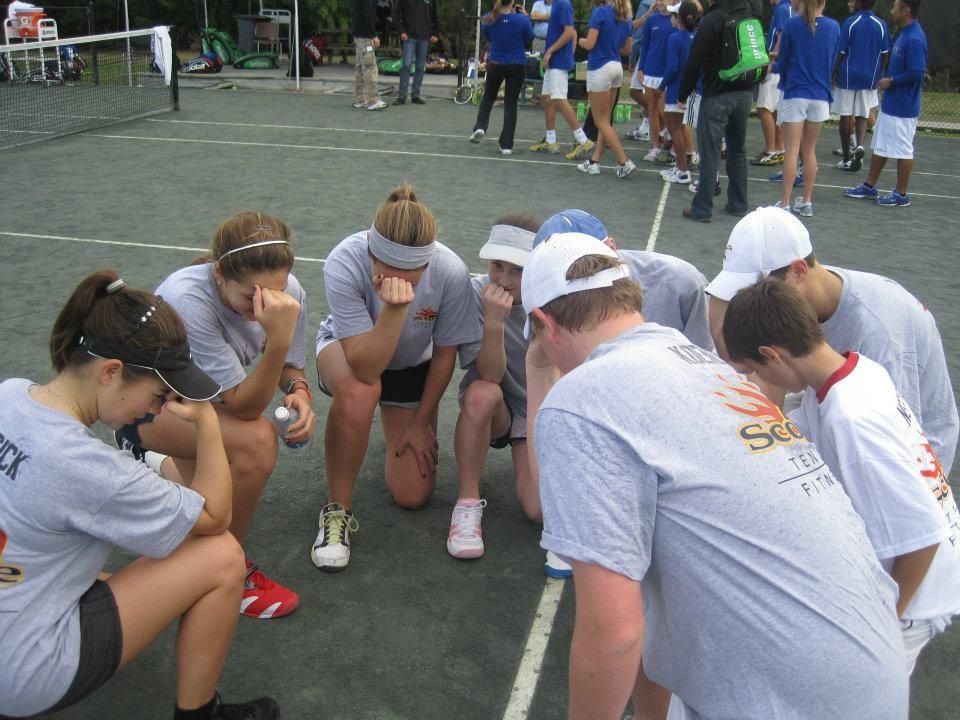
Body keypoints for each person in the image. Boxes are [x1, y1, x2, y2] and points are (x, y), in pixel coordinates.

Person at [521, 233, 908, 720]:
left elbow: (614, 633)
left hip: (794, 700)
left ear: (543, 323)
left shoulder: (583, 401)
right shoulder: (709, 368)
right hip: (871, 668)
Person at [0, 271, 279, 720]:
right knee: (221, 557)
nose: (157, 408)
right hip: (23, 676)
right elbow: (214, 516)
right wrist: (207, 423)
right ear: (111, 372)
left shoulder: (10, 394)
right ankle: (201, 713)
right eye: (157, 394)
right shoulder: (88, 466)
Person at [723, 278, 960, 674]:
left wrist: (885, 622)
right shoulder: (853, 371)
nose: (755, 382)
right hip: (917, 575)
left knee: (861, 695)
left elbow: (923, 536)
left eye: (752, 371)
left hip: (915, 596)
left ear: (772, 355)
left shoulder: (851, 418)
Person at [121, 211, 312, 620]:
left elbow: (289, 369)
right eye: (251, 296)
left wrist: (299, 391)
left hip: (199, 404)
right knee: (257, 440)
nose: (262, 307)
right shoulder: (188, 298)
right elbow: (243, 406)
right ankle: (225, 567)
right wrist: (277, 339)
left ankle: (147, 462)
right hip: (146, 406)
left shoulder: (289, 290)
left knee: (199, 500)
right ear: (220, 272)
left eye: (274, 293)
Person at [703, 206, 959, 477]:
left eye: (758, 287)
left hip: (906, 458)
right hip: (835, 410)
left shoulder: (876, 334)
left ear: (798, 271)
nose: (752, 299)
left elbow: (902, 443)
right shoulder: (802, 291)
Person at [313, 184, 479, 571]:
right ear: (370, 248)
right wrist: (394, 308)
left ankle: (397, 428)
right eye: (391, 268)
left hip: (412, 367)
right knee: (360, 391)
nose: (403, 278)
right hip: (349, 355)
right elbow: (365, 366)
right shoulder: (344, 261)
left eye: (414, 271)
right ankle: (336, 511)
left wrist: (421, 423)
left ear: (429, 260)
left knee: (412, 495)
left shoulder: (450, 270)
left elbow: (444, 355)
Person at [449, 216, 540, 559]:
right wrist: (495, 321)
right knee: (481, 392)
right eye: (497, 265)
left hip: (538, 410)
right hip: (498, 406)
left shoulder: (551, 297)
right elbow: (488, 373)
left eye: (518, 269)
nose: (503, 279)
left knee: (538, 511)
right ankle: (466, 504)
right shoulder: (475, 293)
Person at [535, 209, 714, 349]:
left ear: (611, 247)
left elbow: (706, 359)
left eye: (588, 266)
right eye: (567, 274)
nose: (580, 282)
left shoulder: (681, 284)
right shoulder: (546, 300)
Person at [678, 0, 762, 222]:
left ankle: (703, 208)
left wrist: (682, 93)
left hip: (717, 92)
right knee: (737, 150)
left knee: (710, 152)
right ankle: (738, 203)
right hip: (745, 91)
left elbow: (695, 60)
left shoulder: (712, 20)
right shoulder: (748, 13)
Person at [844, 0, 926, 207]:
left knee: (904, 150)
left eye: (895, 7)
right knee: (880, 145)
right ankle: (870, 185)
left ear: (906, 10)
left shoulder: (915, 38)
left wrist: (892, 81)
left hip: (904, 108)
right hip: (891, 105)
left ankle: (901, 194)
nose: (891, 11)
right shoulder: (905, 33)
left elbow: (917, 73)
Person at [772, 0, 840, 217]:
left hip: (796, 93)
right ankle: (806, 201)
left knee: (792, 150)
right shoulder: (833, 27)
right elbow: (831, 60)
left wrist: (772, 67)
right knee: (809, 150)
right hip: (820, 94)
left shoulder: (792, 25)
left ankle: (785, 203)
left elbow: (783, 61)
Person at [574, 0, 637, 178]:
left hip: (600, 67)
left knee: (600, 120)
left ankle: (624, 161)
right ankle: (594, 162)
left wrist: (581, 41)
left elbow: (590, 44)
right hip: (616, 67)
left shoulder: (600, 13)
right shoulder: (626, 17)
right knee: (605, 120)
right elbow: (627, 49)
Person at [529, 0, 594, 156]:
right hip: (554, 61)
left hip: (558, 61)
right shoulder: (557, 5)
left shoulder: (563, 4)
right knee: (547, 98)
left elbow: (569, 31)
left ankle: (583, 140)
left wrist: (550, 51)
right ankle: (551, 141)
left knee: (559, 98)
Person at [469, 0, 534, 155]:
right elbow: (529, 39)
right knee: (511, 103)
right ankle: (506, 145)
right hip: (516, 63)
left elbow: (489, 37)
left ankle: (480, 126)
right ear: (512, 3)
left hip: (496, 62)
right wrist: (526, 17)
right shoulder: (522, 19)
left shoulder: (487, 19)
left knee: (489, 96)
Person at [832, 0, 890, 171]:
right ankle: (860, 146)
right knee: (863, 114)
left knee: (845, 115)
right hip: (869, 77)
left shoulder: (850, 23)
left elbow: (841, 52)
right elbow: (886, 53)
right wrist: (880, 73)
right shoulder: (881, 24)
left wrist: (832, 73)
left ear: (858, 3)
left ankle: (846, 157)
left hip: (848, 76)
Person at [658, 1, 699, 184]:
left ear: (679, 19)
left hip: (676, 90)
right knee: (681, 129)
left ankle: (682, 171)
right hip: (692, 90)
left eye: (674, 16)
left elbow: (672, 67)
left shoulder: (675, 38)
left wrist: (661, 86)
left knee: (675, 130)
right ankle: (680, 168)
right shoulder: (697, 36)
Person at [751, 0, 793, 166]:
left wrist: (772, 57)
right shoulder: (785, 7)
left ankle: (771, 150)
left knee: (763, 108)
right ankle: (778, 147)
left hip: (775, 64)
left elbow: (782, 34)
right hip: (781, 65)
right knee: (774, 109)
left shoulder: (782, 8)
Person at [637, 0, 674, 161]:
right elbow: (645, 46)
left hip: (667, 73)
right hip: (650, 71)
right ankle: (655, 147)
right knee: (652, 111)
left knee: (665, 112)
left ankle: (674, 145)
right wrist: (641, 68)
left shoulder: (676, 19)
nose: (659, 2)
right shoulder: (652, 19)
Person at [393, 0, 440, 105]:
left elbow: (435, 15)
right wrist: (401, 31)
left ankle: (415, 95)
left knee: (420, 66)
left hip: (424, 37)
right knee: (406, 65)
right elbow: (395, 14)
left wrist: (436, 33)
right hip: (409, 37)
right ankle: (402, 96)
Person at [624, 0, 655, 141]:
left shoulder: (646, 3)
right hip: (653, 51)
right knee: (649, 93)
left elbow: (638, 34)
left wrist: (632, 58)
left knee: (638, 91)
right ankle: (648, 125)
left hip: (650, 53)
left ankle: (656, 121)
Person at [351, 0, 388, 110]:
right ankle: (373, 100)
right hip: (365, 35)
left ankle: (360, 99)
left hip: (358, 33)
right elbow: (368, 13)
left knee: (360, 68)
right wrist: (373, 35)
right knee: (370, 67)